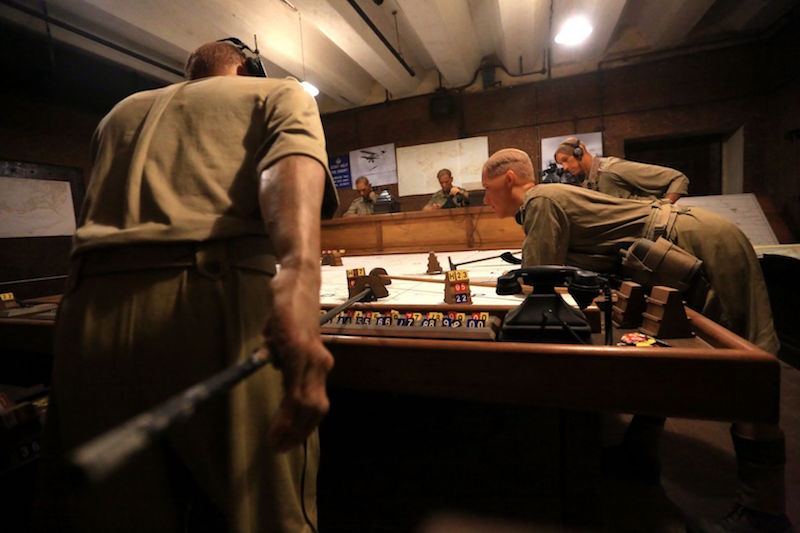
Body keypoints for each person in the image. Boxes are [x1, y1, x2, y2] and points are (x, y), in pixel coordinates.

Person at [37, 39, 338, 533]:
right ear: (247, 69)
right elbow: (285, 173)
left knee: (114, 518)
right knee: (267, 514)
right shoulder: (278, 93)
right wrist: (299, 279)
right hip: (213, 298)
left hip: (87, 314)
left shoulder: (118, 114)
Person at [482, 148, 791, 533]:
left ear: (509, 179)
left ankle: (763, 513)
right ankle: (639, 453)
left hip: (700, 245)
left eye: (487, 189)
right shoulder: (548, 197)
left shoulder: (540, 200)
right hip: (671, 252)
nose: (485, 198)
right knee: (660, 342)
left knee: (747, 371)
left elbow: (537, 277)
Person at [554, 137, 689, 203]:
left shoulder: (611, 169)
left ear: (579, 153)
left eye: (565, 160)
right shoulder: (589, 182)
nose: (565, 167)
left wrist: (664, 209)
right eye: (561, 164)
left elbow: (677, 178)